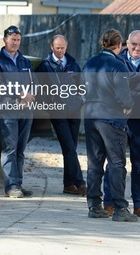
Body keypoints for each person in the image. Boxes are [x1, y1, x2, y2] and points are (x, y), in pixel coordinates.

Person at [103, 30, 140, 219]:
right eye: (134, 44)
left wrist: (127, 81)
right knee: (114, 163)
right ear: (126, 43)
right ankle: (110, 203)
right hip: (118, 118)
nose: (137, 48)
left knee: (139, 165)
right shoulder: (116, 61)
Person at [82, 29, 137, 222]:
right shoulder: (118, 65)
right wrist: (129, 106)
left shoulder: (89, 63)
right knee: (116, 163)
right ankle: (120, 208)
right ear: (119, 45)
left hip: (90, 117)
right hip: (111, 118)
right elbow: (123, 96)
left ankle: (94, 205)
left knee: (94, 163)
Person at [0, 25, 36, 198]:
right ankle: (11, 186)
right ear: (5, 40)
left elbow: (34, 82)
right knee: (10, 149)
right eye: (12, 39)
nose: (15, 43)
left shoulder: (25, 61)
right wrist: (21, 94)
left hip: (26, 110)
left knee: (20, 150)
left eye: (18, 40)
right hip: (8, 109)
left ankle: (18, 184)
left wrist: (30, 96)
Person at [36, 34, 86, 196]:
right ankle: (80, 182)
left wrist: (80, 100)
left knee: (71, 148)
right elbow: (39, 87)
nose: (60, 51)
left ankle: (68, 184)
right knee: (68, 146)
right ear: (51, 47)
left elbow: (82, 84)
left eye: (63, 48)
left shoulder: (72, 63)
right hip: (57, 110)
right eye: (57, 48)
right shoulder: (45, 65)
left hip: (74, 110)